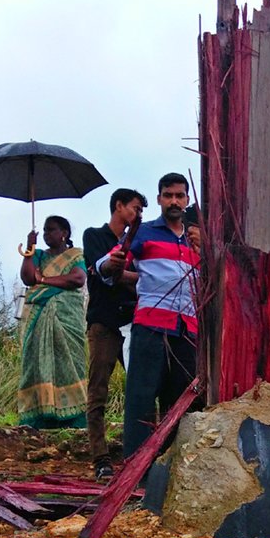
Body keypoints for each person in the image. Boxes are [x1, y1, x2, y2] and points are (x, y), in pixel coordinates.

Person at [99, 172, 200, 459]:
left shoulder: (197, 240)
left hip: (187, 332)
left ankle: (172, 468)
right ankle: (137, 472)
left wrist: (205, 248)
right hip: (151, 328)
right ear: (159, 200)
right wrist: (110, 265)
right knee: (141, 400)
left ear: (187, 200)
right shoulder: (144, 232)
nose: (174, 201)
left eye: (179, 195)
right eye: (168, 195)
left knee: (181, 404)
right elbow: (112, 260)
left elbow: (216, 280)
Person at [83, 188, 147, 478]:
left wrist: (125, 276)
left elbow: (133, 277)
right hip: (104, 323)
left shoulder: (141, 241)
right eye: (134, 208)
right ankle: (100, 459)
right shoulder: (94, 235)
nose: (138, 214)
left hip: (133, 322)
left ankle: (142, 454)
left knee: (143, 387)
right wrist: (124, 275)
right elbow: (103, 272)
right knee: (98, 391)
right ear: (118, 206)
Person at [16, 215, 88, 429]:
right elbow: (28, 278)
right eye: (45, 231)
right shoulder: (38, 255)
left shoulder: (75, 255)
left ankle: (74, 418)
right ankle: (40, 417)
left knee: (71, 362)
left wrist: (44, 280)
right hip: (38, 317)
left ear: (64, 233)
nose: (47, 234)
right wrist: (29, 249)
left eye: (51, 230)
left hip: (67, 317)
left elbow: (77, 278)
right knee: (36, 363)